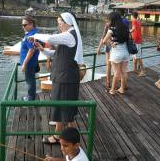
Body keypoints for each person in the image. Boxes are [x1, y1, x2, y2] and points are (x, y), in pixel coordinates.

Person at [33, 12, 84, 144]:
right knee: (64, 109)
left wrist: (34, 35)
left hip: (65, 78)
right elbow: (57, 53)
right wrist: (41, 49)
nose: (59, 24)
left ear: (66, 22)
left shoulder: (69, 35)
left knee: (64, 109)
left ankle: (70, 140)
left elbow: (49, 39)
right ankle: (65, 137)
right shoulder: (69, 36)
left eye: (59, 22)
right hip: (63, 77)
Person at [102, 12, 129, 95]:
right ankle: (122, 89)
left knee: (116, 72)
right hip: (125, 52)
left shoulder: (112, 29)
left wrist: (111, 43)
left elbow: (104, 41)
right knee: (123, 72)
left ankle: (113, 90)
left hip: (117, 52)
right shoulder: (125, 27)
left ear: (112, 20)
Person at [20, 16, 40, 101]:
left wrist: (24, 64)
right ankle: (31, 96)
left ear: (31, 24)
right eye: (22, 25)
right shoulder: (32, 33)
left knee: (30, 81)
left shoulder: (31, 35)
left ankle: (30, 99)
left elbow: (31, 50)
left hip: (29, 63)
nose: (23, 27)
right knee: (31, 80)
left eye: (25, 25)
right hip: (32, 62)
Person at [96, 16, 111, 89]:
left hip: (108, 46)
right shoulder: (119, 24)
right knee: (115, 65)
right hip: (116, 47)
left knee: (108, 65)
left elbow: (103, 37)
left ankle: (108, 82)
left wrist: (99, 48)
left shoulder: (107, 25)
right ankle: (117, 79)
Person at [130, 12, 146, 77]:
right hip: (137, 40)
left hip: (136, 40)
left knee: (138, 56)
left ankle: (142, 71)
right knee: (135, 56)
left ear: (132, 16)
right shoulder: (138, 22)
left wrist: (128, 32)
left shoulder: (133, 21)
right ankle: (135, 69)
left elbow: (133, 29)